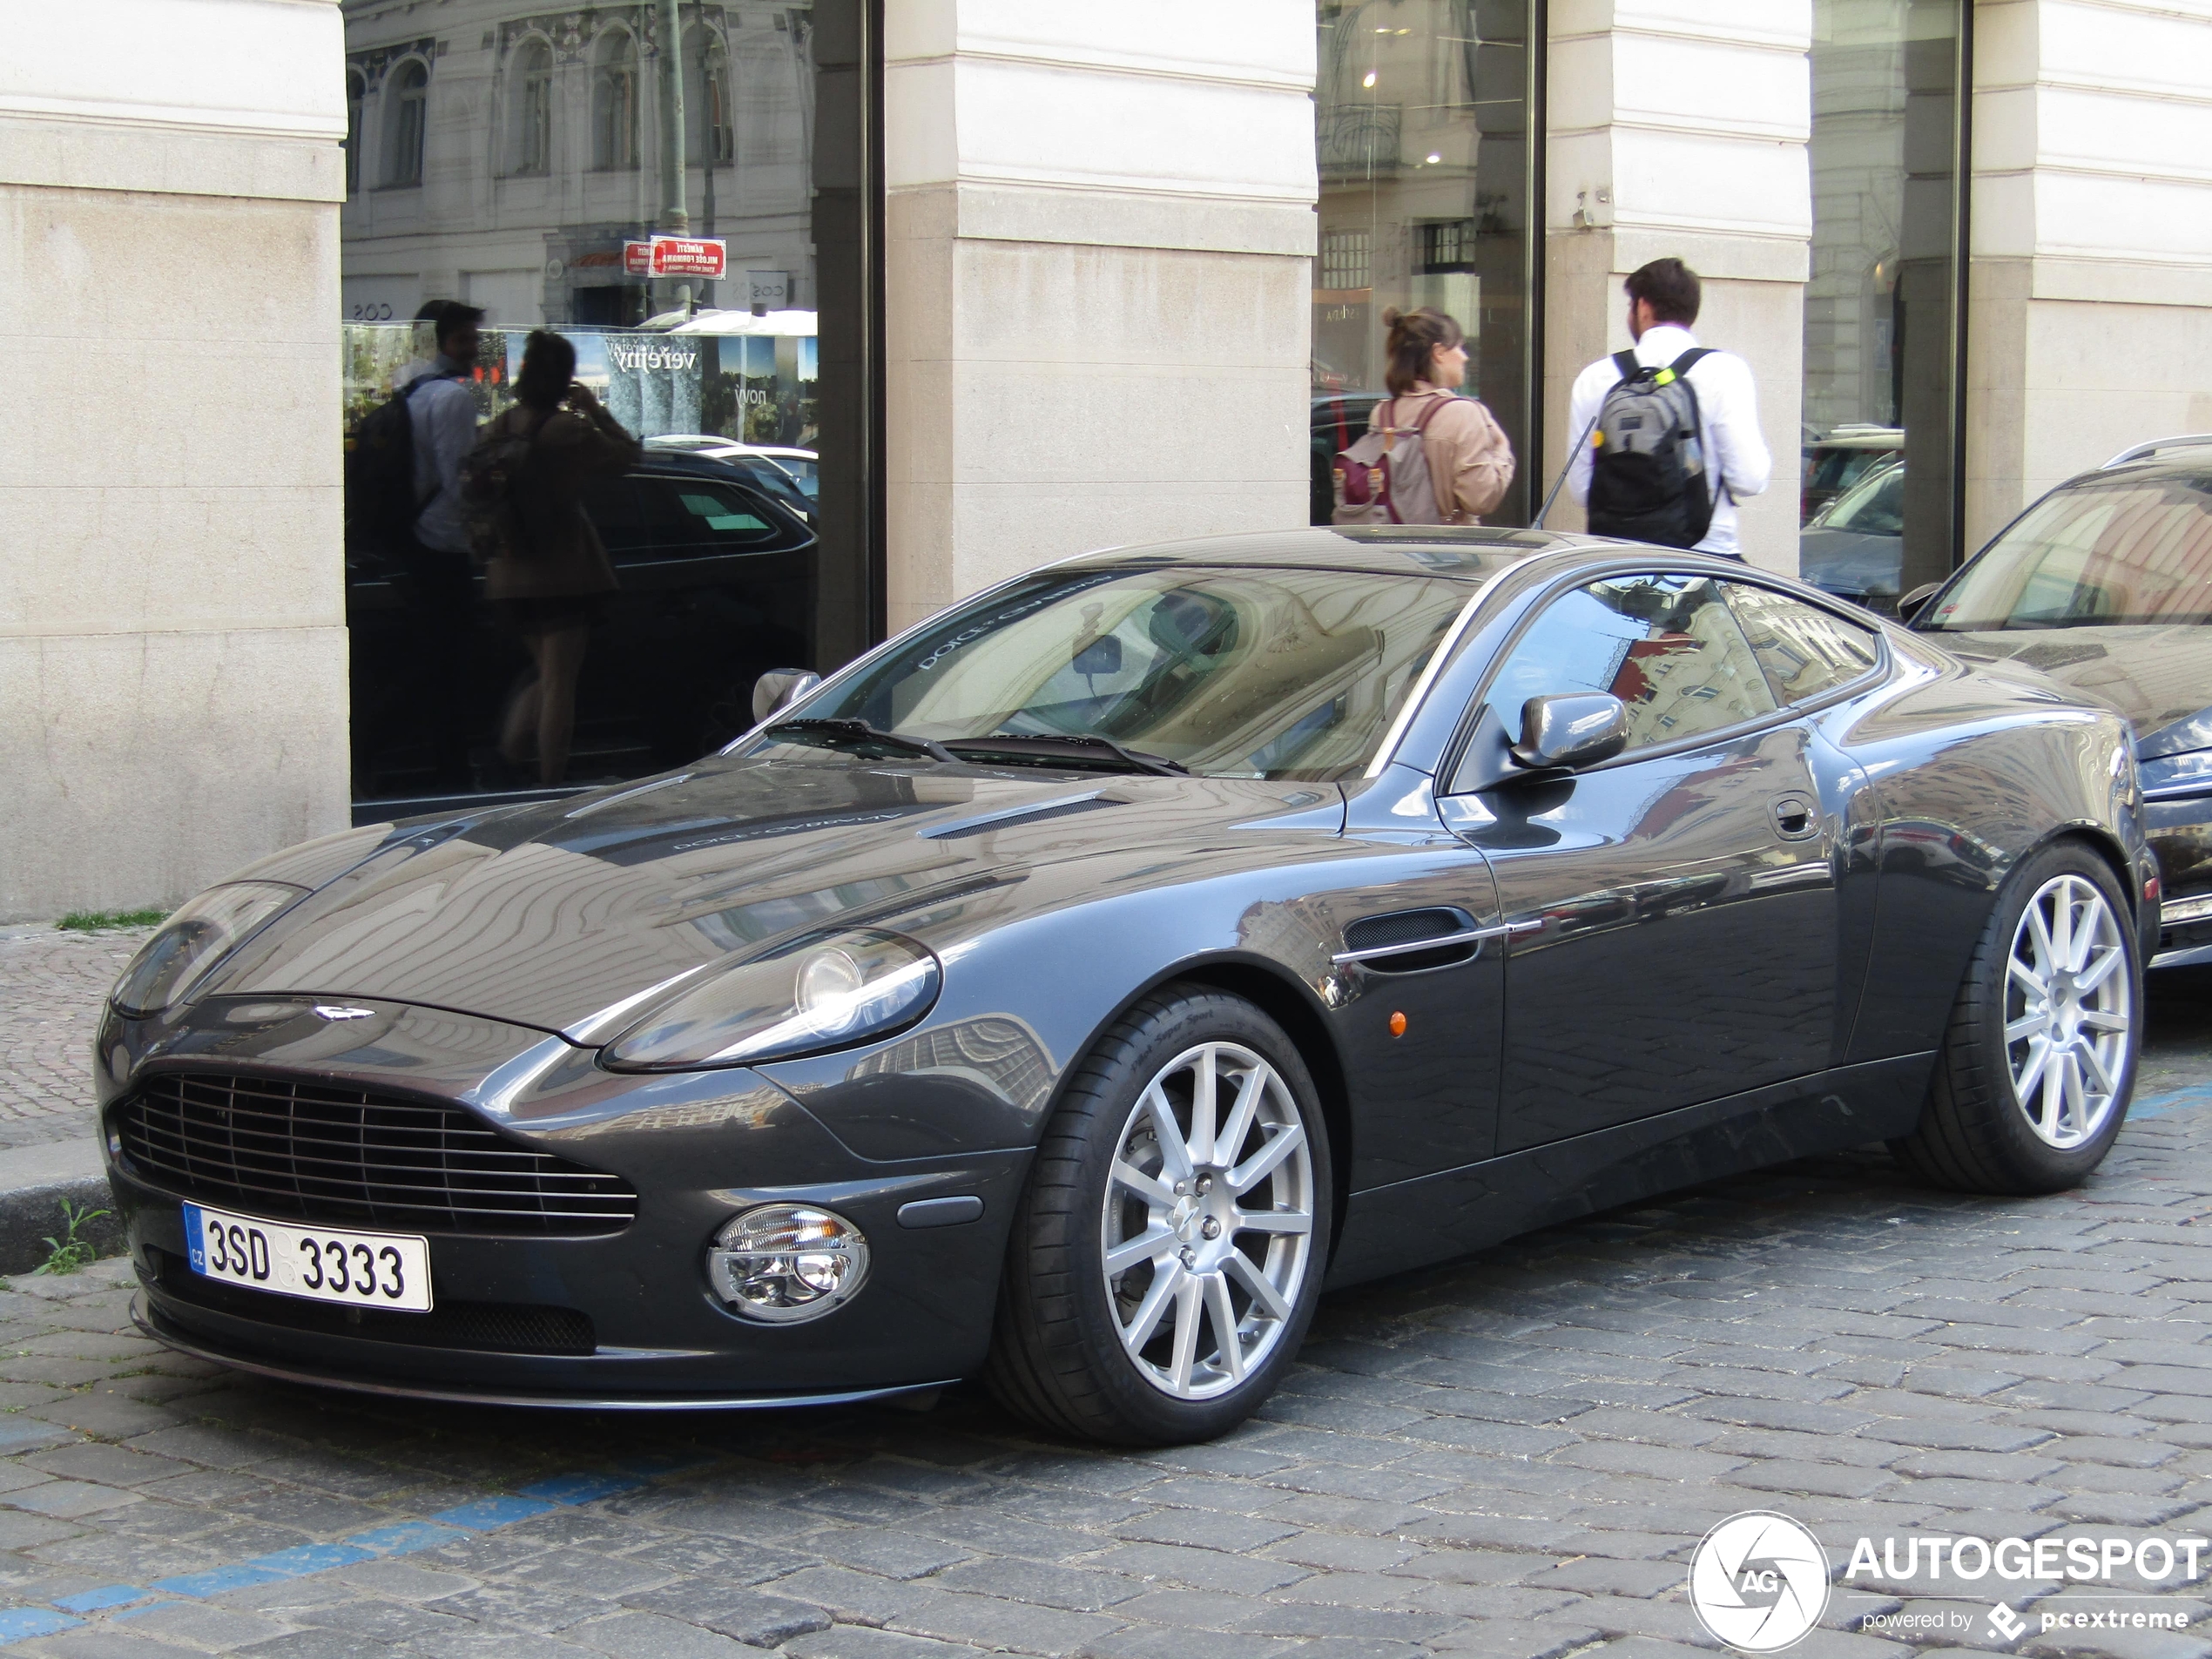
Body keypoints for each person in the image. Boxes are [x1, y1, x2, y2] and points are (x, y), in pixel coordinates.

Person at [482, 330, 641, 786]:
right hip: (564, 573)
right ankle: (552, 783)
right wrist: (593, 408)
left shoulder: (499, 427)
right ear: (564, 376)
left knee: (546, 672)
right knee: (559, 683)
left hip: (507, 575)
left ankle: (508, 757)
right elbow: (626, 457)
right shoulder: (567, 430)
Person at [1566, 258, 1771, 556]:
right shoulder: (1725, 371)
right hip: (1704, 555)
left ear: (1644, 308)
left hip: (1616, 561)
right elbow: (1750, 480)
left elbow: (1581, 488)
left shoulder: (1595, 377)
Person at [397, 300, 486, 789]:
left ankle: (433, 759)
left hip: (414, 539)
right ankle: (453, 771)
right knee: (450, 667)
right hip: (443, 546)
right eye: (465, 340)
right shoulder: (453, 398)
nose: (473, 349)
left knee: (431, 662)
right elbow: (460, 480)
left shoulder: (409, 389)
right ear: (442, 343)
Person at [1361, 307, 1515, 523]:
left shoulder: (1382, 413)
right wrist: (1502, 451)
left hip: (1391, 545)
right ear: (1439, 353)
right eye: (1459, 347)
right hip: (1447, 550)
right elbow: (1480, 499)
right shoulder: (1463, 413)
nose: (1465, 357)